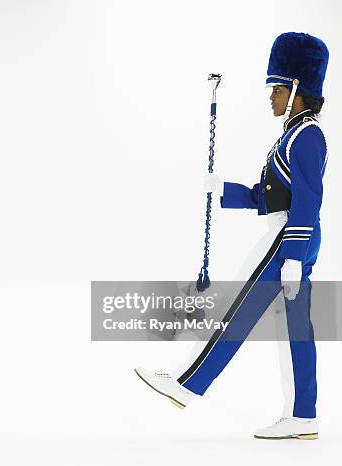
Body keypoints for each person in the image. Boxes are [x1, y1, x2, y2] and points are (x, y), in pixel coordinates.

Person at [133, 32, 328, 440]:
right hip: (293, 234)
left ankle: (186, 385)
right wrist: (222, 189)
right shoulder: (293, 134)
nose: (270, 96)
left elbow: (309, 198)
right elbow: (266, 197)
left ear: (296, 88)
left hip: (289, 237)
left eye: (276, 88)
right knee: (296, 329)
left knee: (234, 309)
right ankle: (303, 416)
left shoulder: (307, 135)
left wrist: (292, 256)